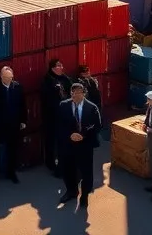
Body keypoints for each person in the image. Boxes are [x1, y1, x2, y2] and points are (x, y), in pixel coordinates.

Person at [57, 82, 102, 210]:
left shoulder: (92, 108)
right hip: (69, 144)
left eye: (78, 92)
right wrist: (70, 135)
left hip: (85, 145)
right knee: (68, 170)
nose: (75, 95)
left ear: (84, 93)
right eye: (73, 92)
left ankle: (85, 196)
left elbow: (97, 126)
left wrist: (83, 135)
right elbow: (60, 125)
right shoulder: (63, 105)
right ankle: (71, 191)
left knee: (86, 172)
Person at [0, 65, 27, 185]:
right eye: (6, 77)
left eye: (10, 77)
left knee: (12, 150)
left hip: (13, 124)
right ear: (1, 76)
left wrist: (23, 121)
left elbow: (22, 105)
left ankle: (11, 173)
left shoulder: (17, 87)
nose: (8, 80)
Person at [41, 59, 72, 175]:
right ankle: (51, 164)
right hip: (52, 117)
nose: (62, 67)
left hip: (65, 117)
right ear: (53, 68)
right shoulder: (47, 80)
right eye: (59, 65)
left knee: (63, 142)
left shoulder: (65, 79)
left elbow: (72, 92)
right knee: (51, 141)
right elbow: (46, 100)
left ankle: (62, 165)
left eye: (61, 65)